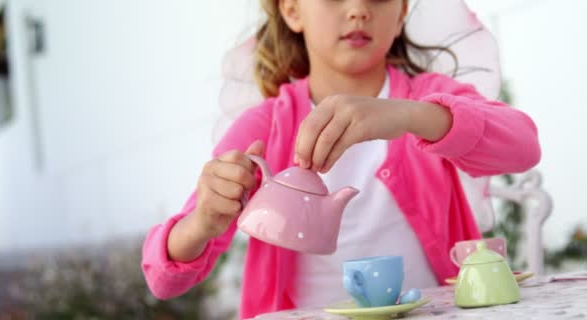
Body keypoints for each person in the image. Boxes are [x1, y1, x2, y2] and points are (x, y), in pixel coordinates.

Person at [141, 0, 541, 318]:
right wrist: (201, 224)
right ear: (291, 9)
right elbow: (164, 283)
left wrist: (409, 115)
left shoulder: (427, 100)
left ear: (401, 12)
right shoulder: (263, 126)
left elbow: (524, 147)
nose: (358, 9)